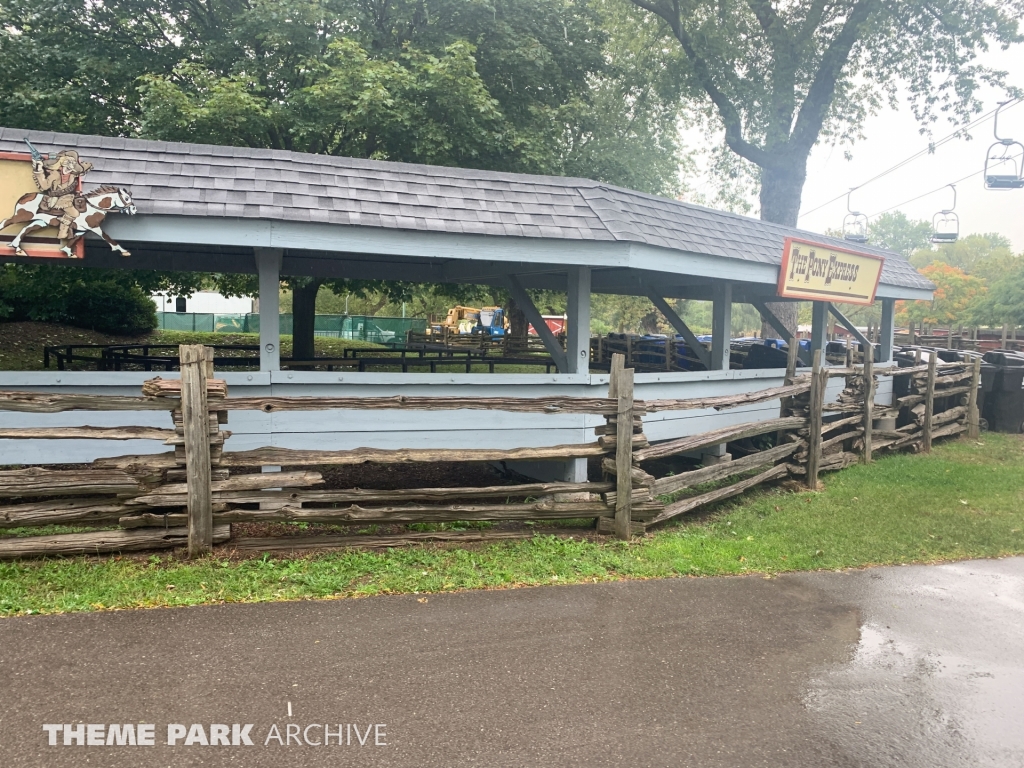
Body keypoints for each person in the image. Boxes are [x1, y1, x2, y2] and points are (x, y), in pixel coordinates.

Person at [31, 149, 94, 239]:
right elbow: (44, 186)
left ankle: (63, 221)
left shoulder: (73, 175)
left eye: (73, 163)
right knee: (75, 213)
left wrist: (86, 166)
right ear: (62, 162)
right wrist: (39, 170)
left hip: (69, 197)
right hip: (57, 199)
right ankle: (62, 232)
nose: (70, 165)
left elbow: (82, 170)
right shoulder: (54, 174)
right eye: (68, 162)